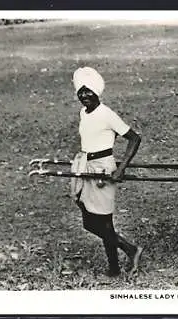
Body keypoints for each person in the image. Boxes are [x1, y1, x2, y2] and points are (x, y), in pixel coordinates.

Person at [70, 66, 143, 278]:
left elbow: (134, 138)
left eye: (88, 91)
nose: (84, 96)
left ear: (97, 92)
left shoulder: (106, 114)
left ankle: (118, 265)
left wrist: (121, 168)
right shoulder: (84, 112)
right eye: (81, 92)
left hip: (103, 168)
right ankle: (126, 253)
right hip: (86, 166)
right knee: (89, 221)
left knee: (104, 221)